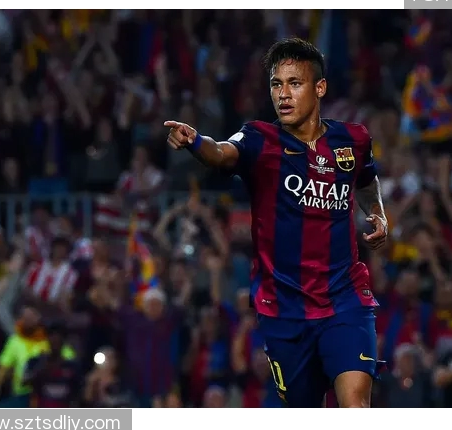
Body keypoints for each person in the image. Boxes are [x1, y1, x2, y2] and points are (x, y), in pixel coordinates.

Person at [165, 38, 388, 408]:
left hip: (345, 298)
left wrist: (377, 212)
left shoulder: (353, 139)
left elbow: (365, 179)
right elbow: (221, 153)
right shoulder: (259, 139)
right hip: (284, 309)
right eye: (276, 84)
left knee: (355, 406)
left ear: (319, 88)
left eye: (294, 83)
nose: (283, 94)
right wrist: (196, 141)